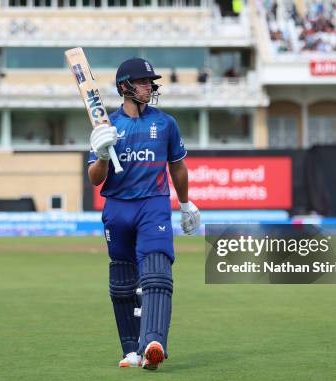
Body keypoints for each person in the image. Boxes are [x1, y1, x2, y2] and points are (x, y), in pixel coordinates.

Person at [87, 57, 201, 371]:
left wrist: (186, 203)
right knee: (122, 283)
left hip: (153, 205)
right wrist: (101, 155)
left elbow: (177, 166)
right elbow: (96, 179)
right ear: (125, 86)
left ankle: (153, 343)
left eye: (150, 82)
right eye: (142, 82)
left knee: (156, 270)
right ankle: (131, 350)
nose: (149, 86)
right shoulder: (107, 127)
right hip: (117, 207)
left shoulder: (165, 123)